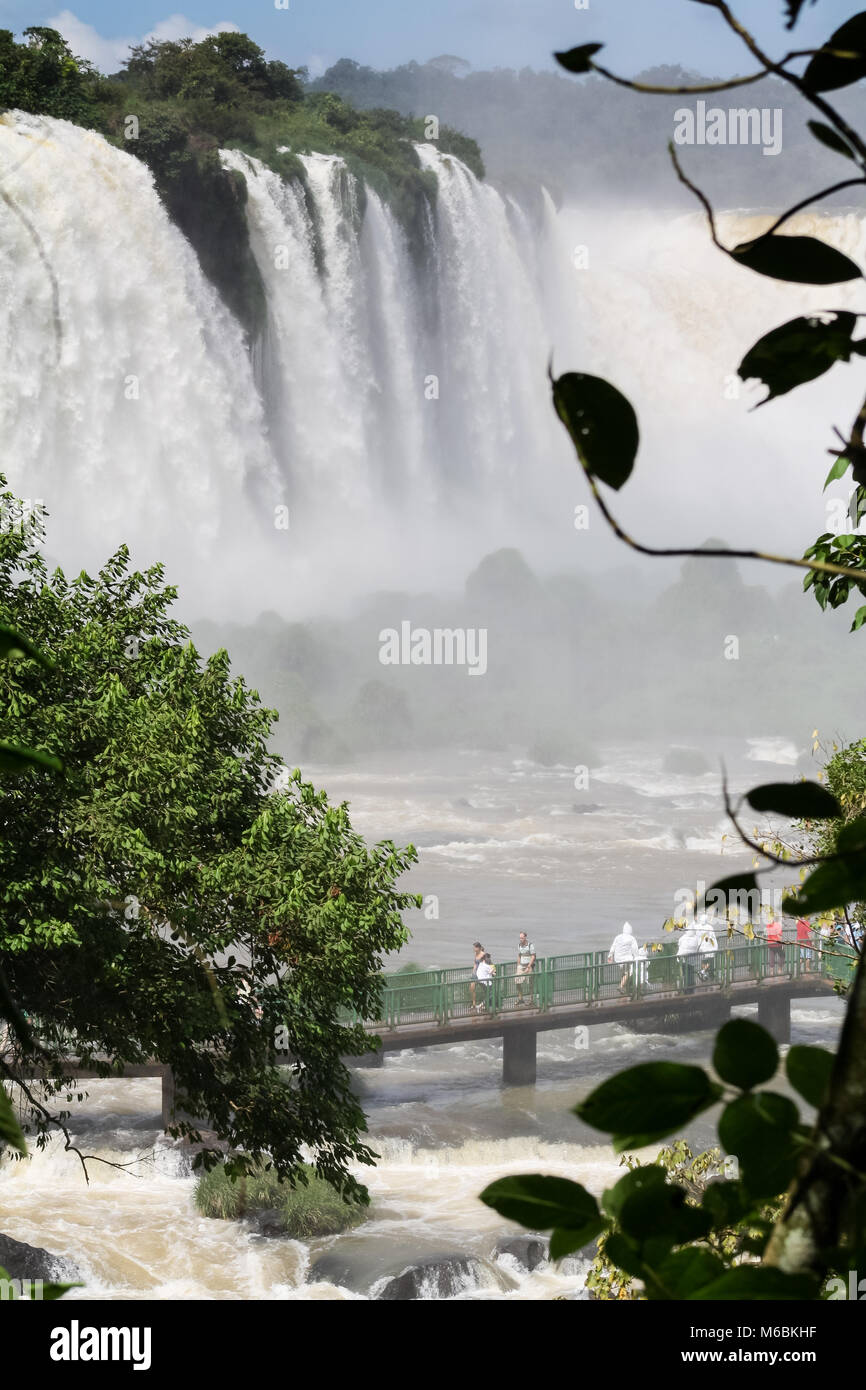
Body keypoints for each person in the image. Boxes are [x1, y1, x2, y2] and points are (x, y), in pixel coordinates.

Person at [607, 922, 639, 995]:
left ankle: (624, 987)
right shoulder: (631, 938)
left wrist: (610, 956)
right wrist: (637, 957)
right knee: (629, 972)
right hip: (627, 959)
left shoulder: (618, 937)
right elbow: (635, 949)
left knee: (624, 972)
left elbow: (613, 947)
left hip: (618, 958)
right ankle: (621, 986)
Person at [677, 922, 701, 991]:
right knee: (690, 973)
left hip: (683, 959)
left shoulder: (683, 938)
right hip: (690, 960)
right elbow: (696, 948)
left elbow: (679, 944)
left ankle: (687, 986)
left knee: (686, 973)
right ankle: (690, 986)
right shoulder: (695, 938)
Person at [515, 931, 536, 1005]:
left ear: (525, 937)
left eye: (522, 938)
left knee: (530, 983)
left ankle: (531, 1000)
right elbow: (519, 955)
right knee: (517, 981)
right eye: (520, 938)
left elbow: (533, 956)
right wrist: (518, 965)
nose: (521, 939)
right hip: (521, 966)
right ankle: (521, 998)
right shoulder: (519, 945)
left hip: (528, 966)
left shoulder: (530, 945)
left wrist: (529, 966)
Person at [697, 915, 718, 982]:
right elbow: (698, 937)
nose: (701, 921)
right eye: (701, 920)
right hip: (705, 947)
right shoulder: (702, 927)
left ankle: (705, 973)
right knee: (707, 961)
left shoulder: (707, 927)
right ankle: (704, 973)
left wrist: (715, 947)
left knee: (707, 961)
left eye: (702, 920)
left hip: (706, 947)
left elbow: (712, 938)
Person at [469, 942, 484, 1010]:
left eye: (475, 947)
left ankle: (484, 1003)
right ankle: (474, 1004)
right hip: (475, 973)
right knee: (472, 988)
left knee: (485, 989)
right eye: (474, 947)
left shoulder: (483, 954)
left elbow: (485, 964)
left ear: (478, 948)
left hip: (481, 974)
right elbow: (475, 963)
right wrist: (473, 972)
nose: (474, 949)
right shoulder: (475, 954)